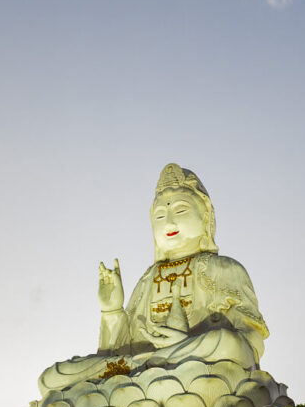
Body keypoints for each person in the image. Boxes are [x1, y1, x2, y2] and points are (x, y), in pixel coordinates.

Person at [36, 163, 269, 394]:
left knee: (226, 344)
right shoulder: (148, 278)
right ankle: (148, 367)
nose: (169, 222)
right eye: (160, 216)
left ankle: (147, 369)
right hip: (138, 365)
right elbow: (116, 352)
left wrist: (187, 343)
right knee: (50, 378)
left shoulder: (224, 268)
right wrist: (111, 311)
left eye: (180, 211)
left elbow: (251, 343)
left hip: (196, 361)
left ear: (205, 217)